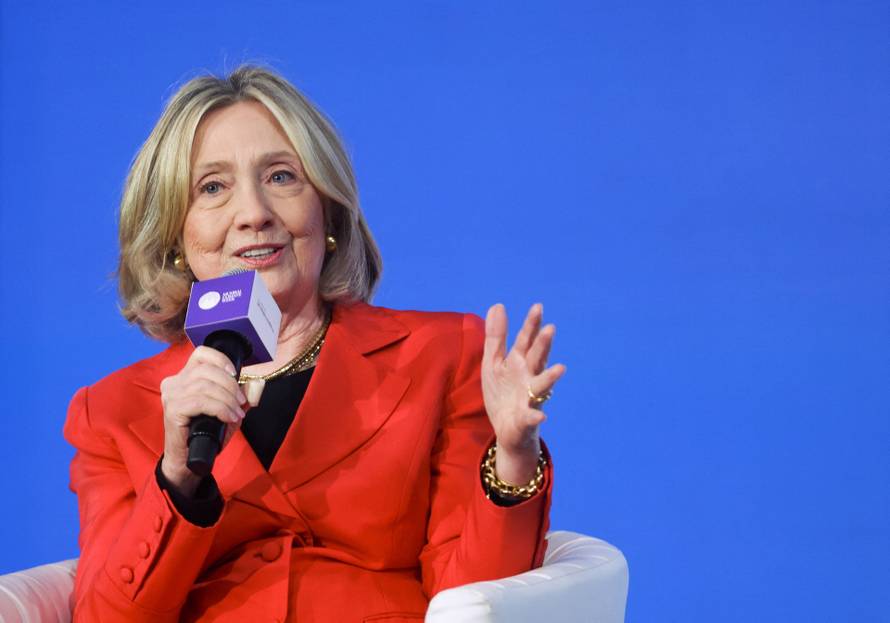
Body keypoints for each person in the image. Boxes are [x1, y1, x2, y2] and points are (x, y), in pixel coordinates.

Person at [63, 65, 566, 622]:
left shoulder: (442, 355)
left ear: (327, 211)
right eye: (212, 188)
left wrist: (514, 459)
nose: (253, 214)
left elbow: (472, 598)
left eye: (281, 177)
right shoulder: (110, 413)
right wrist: (176, 478)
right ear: (176, 237)